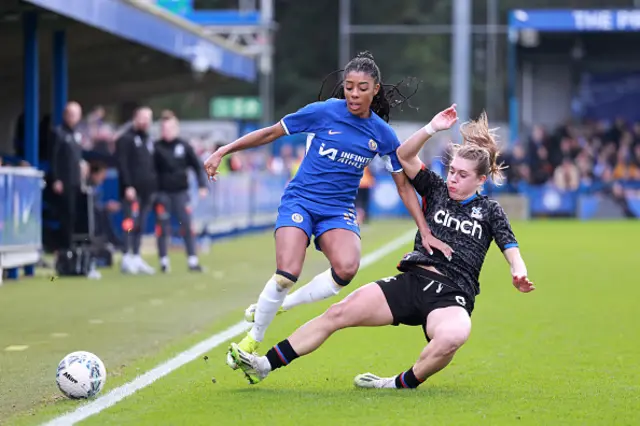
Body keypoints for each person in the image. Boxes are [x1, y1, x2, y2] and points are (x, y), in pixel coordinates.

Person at [228, 107, 535, 386]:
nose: (453, 178)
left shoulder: (490, 210)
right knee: (338, 313)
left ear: (481, 179)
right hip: (411, 282)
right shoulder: (436, 189)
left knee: (454, 336)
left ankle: (397, 383)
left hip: (452, 295)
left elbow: (511, 249)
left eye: (462, 175)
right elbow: (404, 155)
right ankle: (264, 364)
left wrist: (518, 273)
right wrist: (431, 127)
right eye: (452, 170)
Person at [203, 51, 451, 367]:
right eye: (348, 87)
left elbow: (403, 185)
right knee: (285, 274)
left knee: (347, 268)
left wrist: (425, 230)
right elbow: (270, 133)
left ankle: (284, 304)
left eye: (362, 87)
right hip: (300, 202)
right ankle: (253, 339)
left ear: (375, 89)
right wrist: (223, 151)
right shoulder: (323, 112)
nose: (354, 94)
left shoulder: (383, 135)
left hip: (337, 211)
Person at [154, 112, 208, 273]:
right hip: (162, 193)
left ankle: (192, 260)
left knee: (186, 225)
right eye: (164, 128)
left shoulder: (184, 146)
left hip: (181, 193)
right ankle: (163, 261)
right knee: (162, 227)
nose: (167, 131)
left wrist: (202, 185)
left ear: (176, 128)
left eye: (170, 127)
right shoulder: (156, 147)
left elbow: (197, 166)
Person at [115, 107, 157, 274]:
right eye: (142, 118)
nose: (145, 122)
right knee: (129, 222)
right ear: (135, 118)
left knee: (141, 223)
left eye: (149, 118)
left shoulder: (149, 139)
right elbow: (123, 164)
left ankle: (137, 255)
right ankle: (126, 255)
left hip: (147, 189)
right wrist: (128, 185)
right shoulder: (126, 139)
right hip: (131, 189)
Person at [50, 101, 86, 252]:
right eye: (70, 114)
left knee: (75, 214)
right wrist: (56, 178)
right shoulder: (58, 133)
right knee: (65, 214)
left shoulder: (77, 134)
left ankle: (72, 245)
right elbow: (54, 157)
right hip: (64, 180)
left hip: (75, 180)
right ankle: (64, 247)